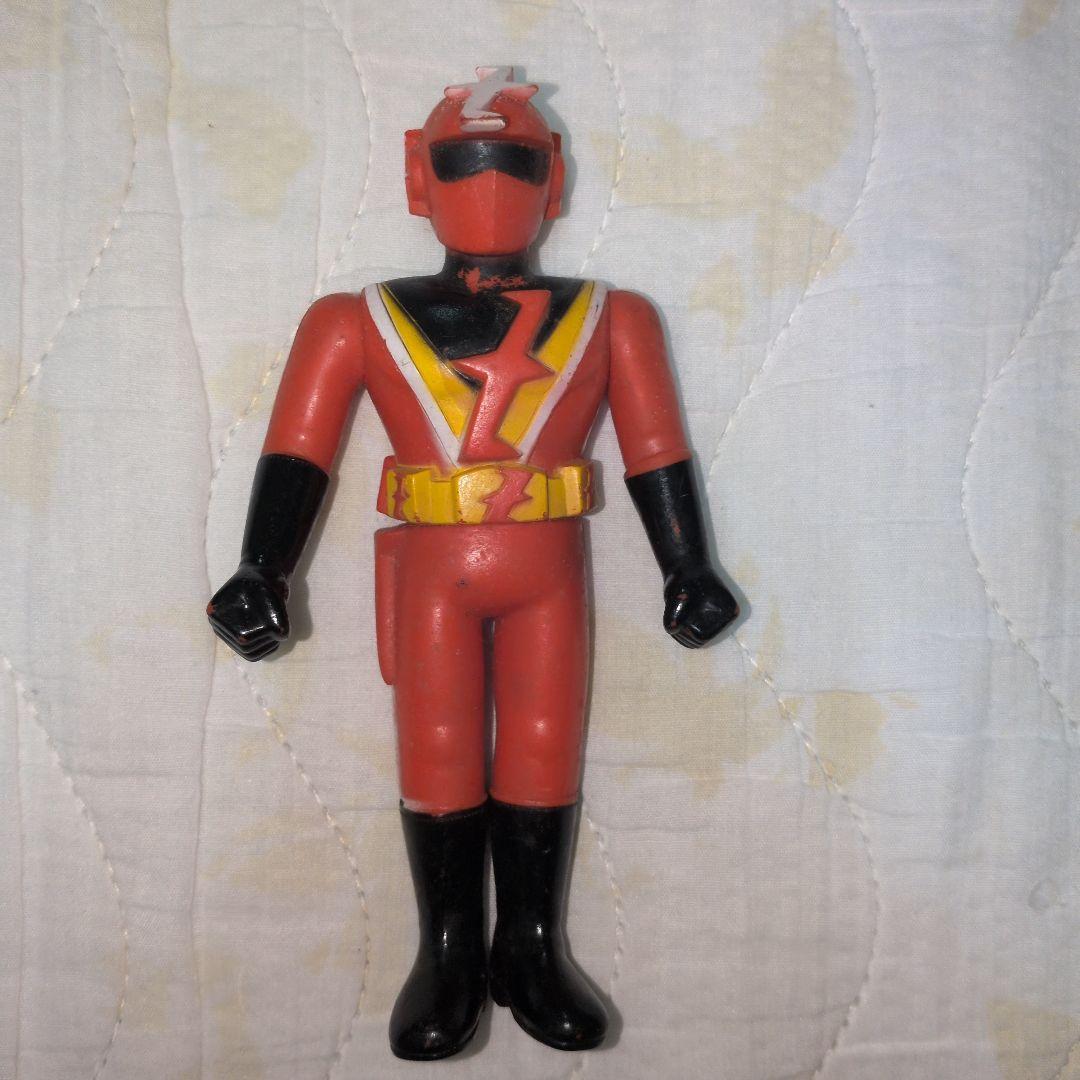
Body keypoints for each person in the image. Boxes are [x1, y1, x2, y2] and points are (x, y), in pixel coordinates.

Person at [207, 66, 739, 1060]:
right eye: (464, 163)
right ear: (419, 175)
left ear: (555, 178)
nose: (491, 185)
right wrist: (260, 566)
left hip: (548, 567)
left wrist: (687, 564)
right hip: (433, 571)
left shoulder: (615, 319)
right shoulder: (351, 321)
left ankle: (529, 945)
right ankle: (447, 949)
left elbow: (655, 452)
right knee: (438, 743)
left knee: (543, 741)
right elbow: (297, 453)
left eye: (518, 164)